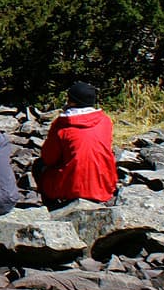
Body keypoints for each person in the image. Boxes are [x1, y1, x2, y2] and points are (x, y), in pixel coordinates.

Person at [35, 81, 118, 209]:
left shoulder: (61, 124)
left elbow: (49, 158)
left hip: (73, 186)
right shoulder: (105, 121)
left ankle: (52, 208)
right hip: (103, 184)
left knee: (38, 166)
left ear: (73, 102)